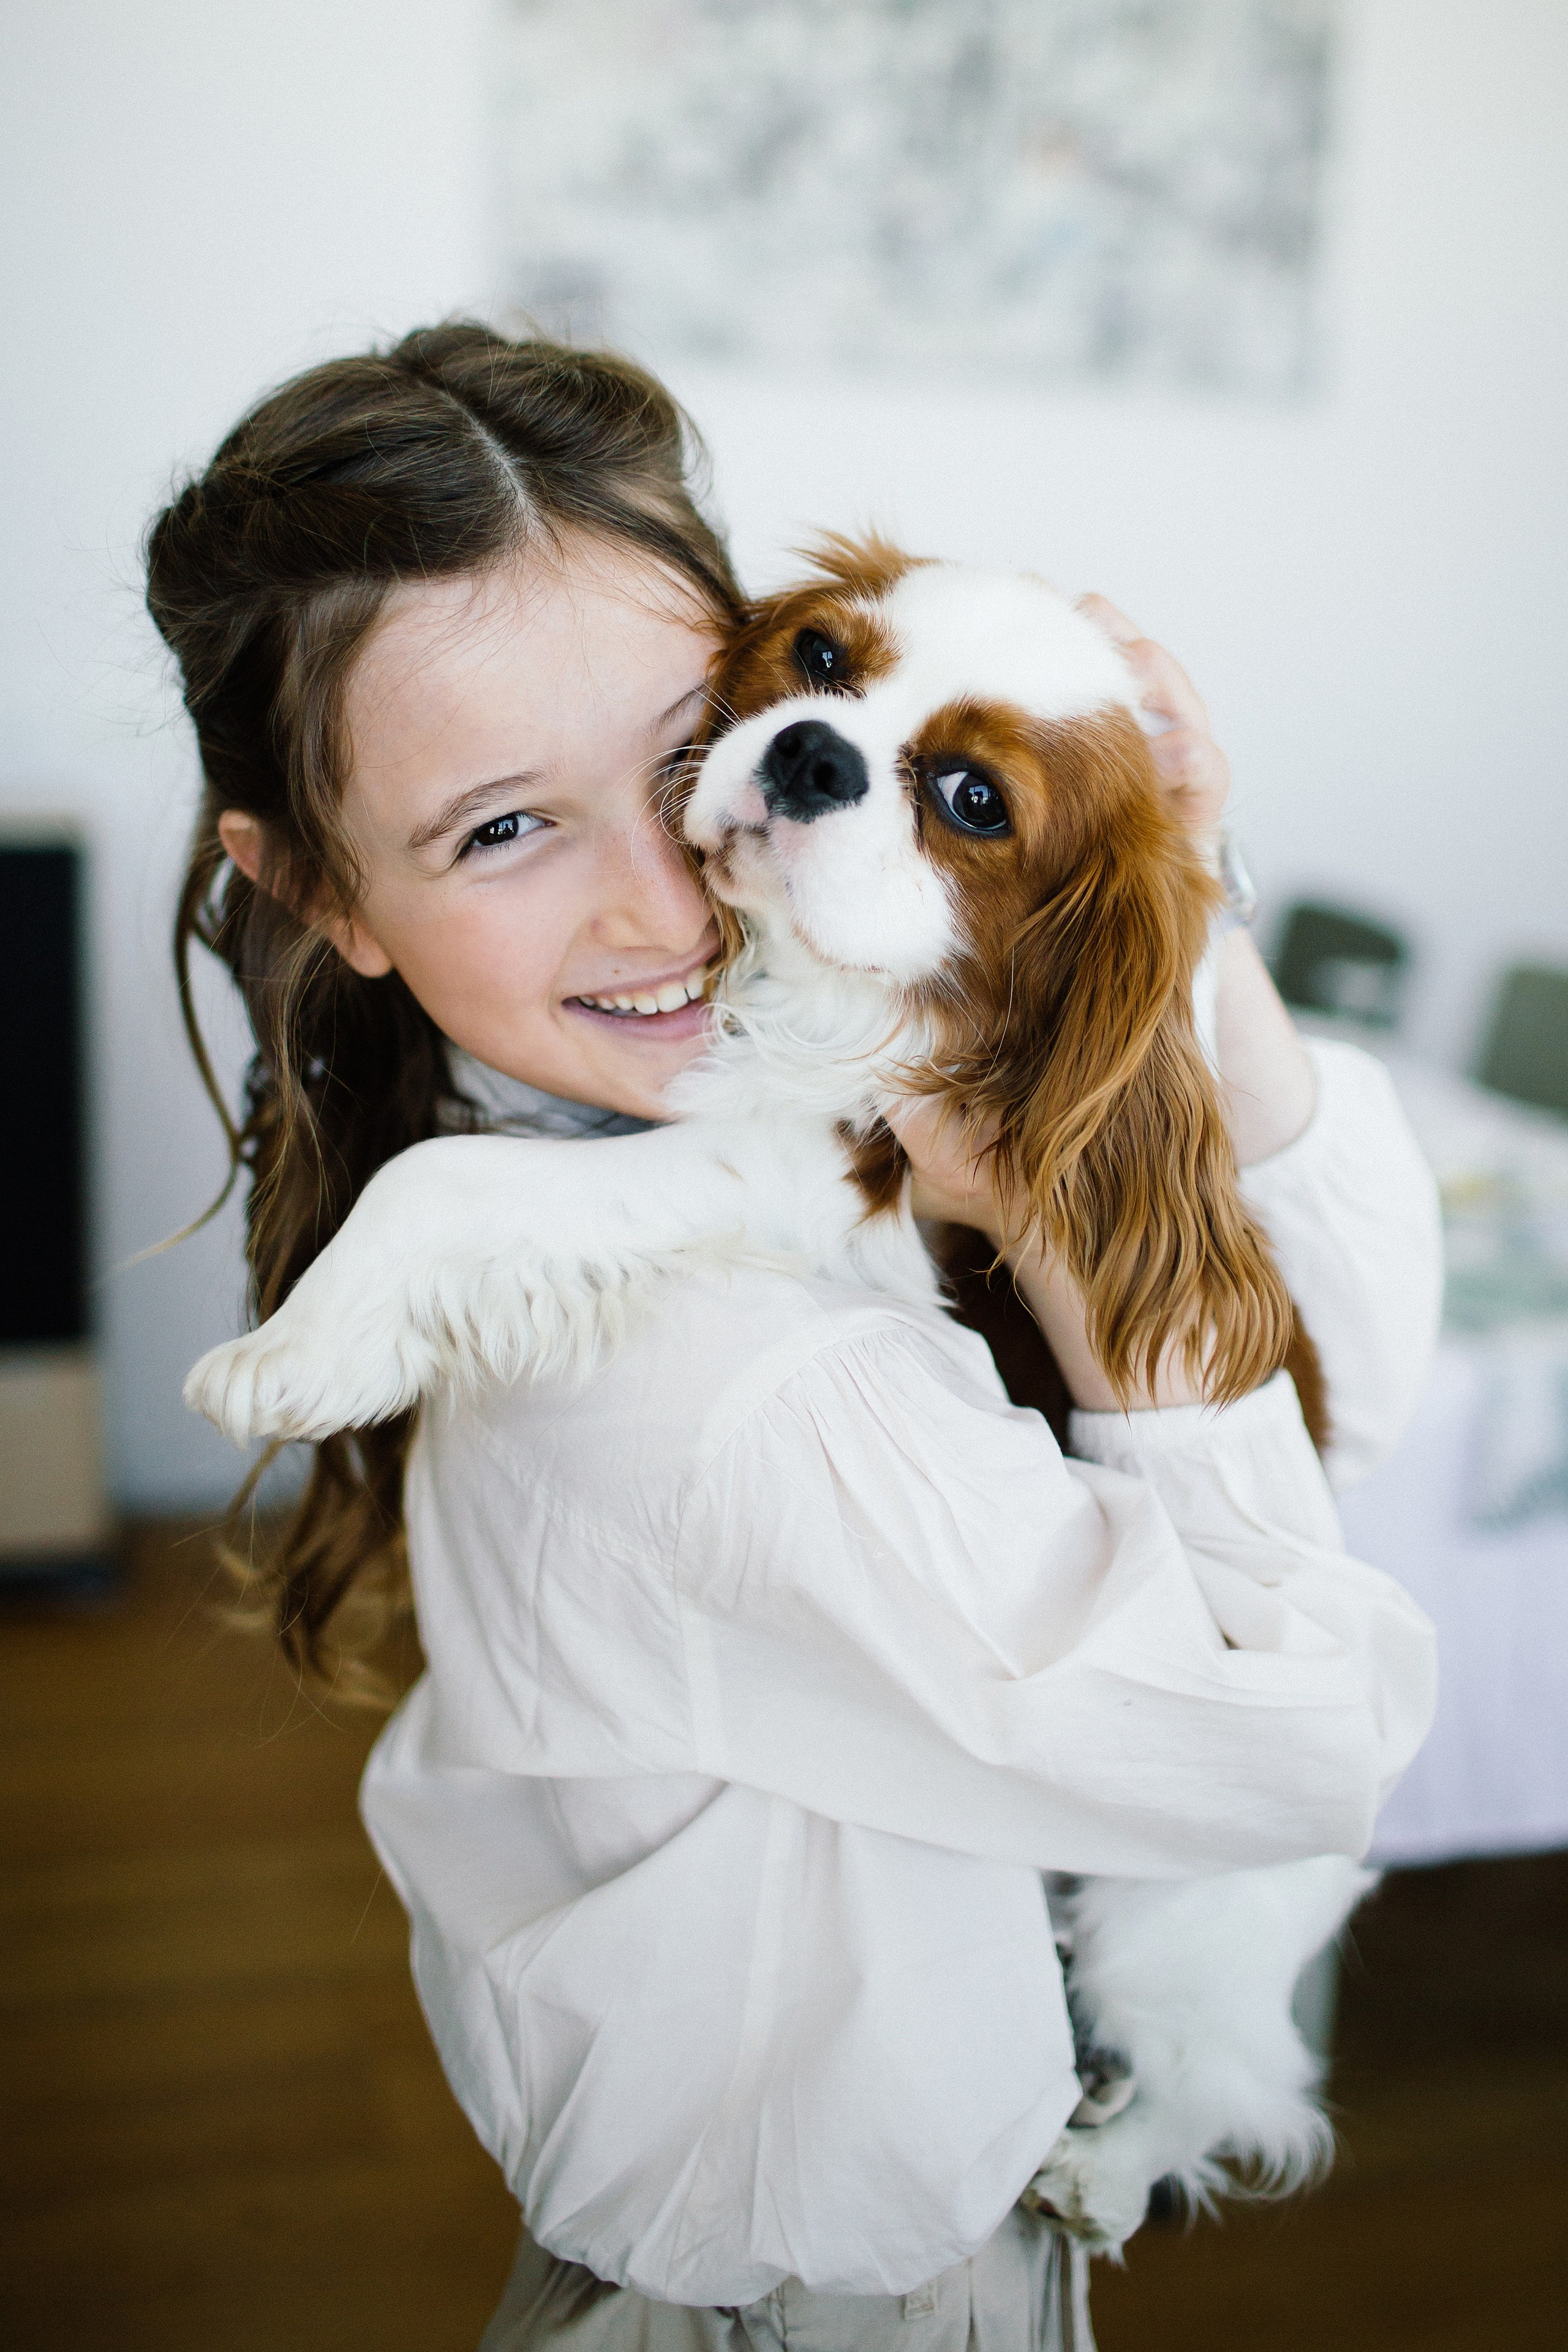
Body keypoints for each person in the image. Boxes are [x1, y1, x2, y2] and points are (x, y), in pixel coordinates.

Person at [146, 324, 1440, 2350]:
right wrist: (1081, 1219)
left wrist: (1178, 903)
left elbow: (1354, 1339)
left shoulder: (653, 1136)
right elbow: (1312, 1745)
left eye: (688, 754)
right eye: (503, 829)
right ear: (320, 889)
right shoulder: (745, 1392)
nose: (674, 899)